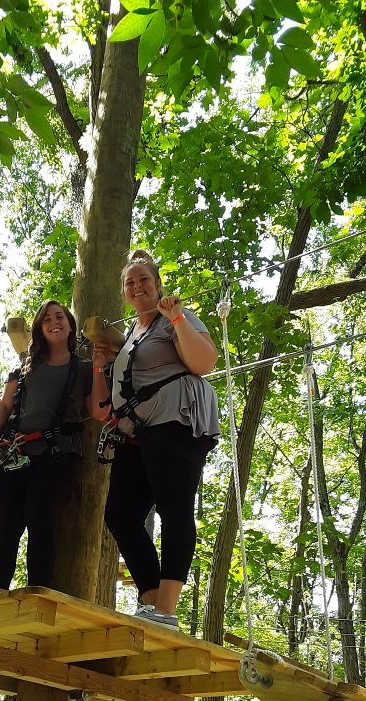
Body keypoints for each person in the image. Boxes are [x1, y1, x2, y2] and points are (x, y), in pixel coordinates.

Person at [90, 250, 220, 629]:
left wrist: (177, 317)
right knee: (120, 514)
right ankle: (152, 601)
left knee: (173, 507)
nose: (137, 286)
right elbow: (104, 402)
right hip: (137, 432)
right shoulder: (130, 335)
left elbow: (204, 362)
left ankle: (166, 608)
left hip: (176, 420)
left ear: (157, 284)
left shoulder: (173, 318)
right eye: (130, 282)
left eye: (144, 279)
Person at [0, 300, 92, 592]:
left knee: (39, 520)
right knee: (7, 525)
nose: (54, 322)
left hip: (53, 455)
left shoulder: (84, 369)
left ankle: (36, 593)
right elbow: (4, 406)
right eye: (46, 319)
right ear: (40, 329)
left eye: (59, 317)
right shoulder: (23, 368)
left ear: (69, 325)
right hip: (14, 453)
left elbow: (96, 408)